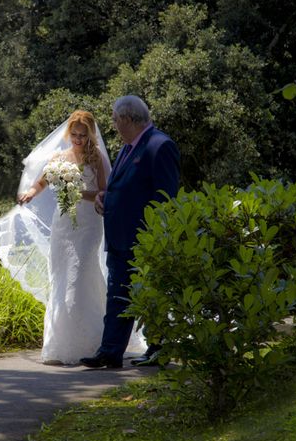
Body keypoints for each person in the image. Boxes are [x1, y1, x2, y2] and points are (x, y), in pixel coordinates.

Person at [15, 110, 129, 364]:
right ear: (69, 134)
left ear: (90, 135)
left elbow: (103, 191)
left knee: (78, 277)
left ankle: (87, 344)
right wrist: (30, 194)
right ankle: (62, 345)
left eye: (82, 135)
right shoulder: (59, 158)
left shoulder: (96, 158)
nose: (78, 139)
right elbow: (41, 182)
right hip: (64, 225)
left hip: (88, 224)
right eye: (74, 134)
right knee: (62, 278)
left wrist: (79, 191)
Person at [80, 95, 180, 369]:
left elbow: (165, 198)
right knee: (117, 295)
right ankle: (110, 352)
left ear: (126, 119)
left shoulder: (160, 145)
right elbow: (121, 188)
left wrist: (155, 239)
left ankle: (159, 349)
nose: (113, 125)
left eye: (115, 120)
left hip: (144, 240)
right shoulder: (128, 146)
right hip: (120, 238)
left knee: (149, 294)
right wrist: (104, 198)